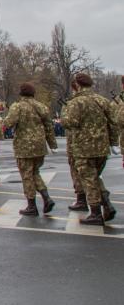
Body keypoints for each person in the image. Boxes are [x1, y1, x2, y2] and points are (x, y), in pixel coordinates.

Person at [62, 73, 119, 225]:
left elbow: (70, 122)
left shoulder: (76, 102)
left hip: (83, 148)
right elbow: (113, 123)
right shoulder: (102, 100)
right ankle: (106, 204)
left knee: (89, 180)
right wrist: (113, 143)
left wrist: (64, 114)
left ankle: (95, 213)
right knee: (94, 177)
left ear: (78, 85)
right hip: (102, 148)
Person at [3, 83, 58, 216]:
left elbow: (8, 123)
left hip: (24, 147)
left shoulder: (17, 106)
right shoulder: (41, 107)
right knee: (35, 173)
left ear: (21, 93)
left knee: (27, 176)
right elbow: (49, 127)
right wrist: (53, 145)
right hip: (40, 146)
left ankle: (32, 205)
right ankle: (46, 198)